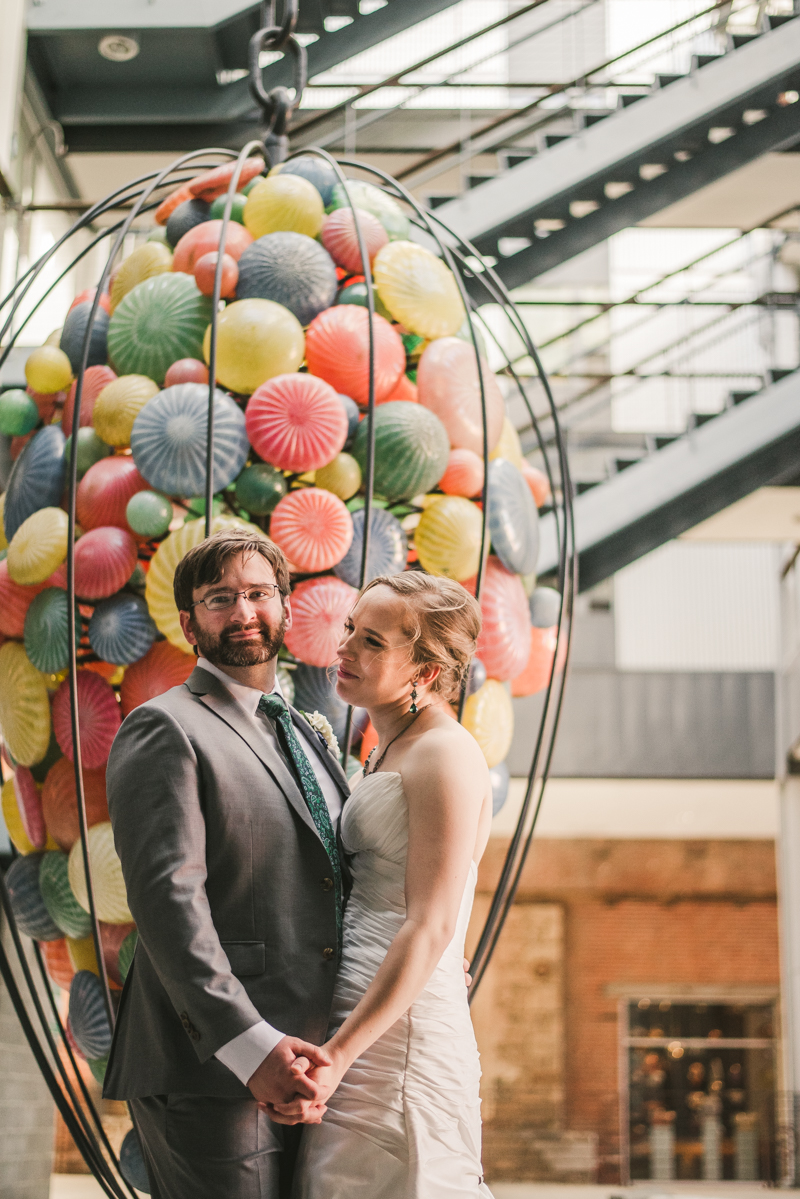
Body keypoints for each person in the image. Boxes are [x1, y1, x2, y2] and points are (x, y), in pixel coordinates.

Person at [103, 528, 352, 1199]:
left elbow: (335, 874)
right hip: (211, 1068)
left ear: (287, 608)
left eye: (257, 593)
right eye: (219, 599)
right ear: (189, 624)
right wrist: (251, 1046)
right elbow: (168, 904)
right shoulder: (164, 726)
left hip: (314, 1065)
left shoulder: (305, 730)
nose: (242, 612)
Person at [288, 572, 495, 1198]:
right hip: (358, 1006)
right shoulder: (386, 747)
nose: (344, 648)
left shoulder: (445, 756)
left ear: (425, 673)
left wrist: (340, 1056)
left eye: (372, 641)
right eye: (350, 628)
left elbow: (431, 921)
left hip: (394, 1040)